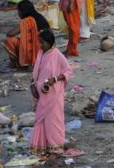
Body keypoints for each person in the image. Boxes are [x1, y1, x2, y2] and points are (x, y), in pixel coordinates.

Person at [29, 29, 72, 158]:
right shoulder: (40, 53)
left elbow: (68, 70)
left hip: (54, 94)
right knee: (41, 120)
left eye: (42, 43)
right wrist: (34, 85)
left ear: (49, 42)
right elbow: (37, 72)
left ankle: (56, 148)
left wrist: (55, 79)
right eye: (39, 43)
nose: (40, 45)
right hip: (42, 94)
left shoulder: (57, 54)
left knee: (54, 121)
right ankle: (42, 146)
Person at [4, 0, 49, 70]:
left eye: (18, 11)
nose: (18, 13)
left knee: (9, 41)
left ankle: (21, 62)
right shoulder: (39, 17)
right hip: (46, 49)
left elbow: (10, 34)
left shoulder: (27, 21)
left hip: (37, 48)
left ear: (23, 11)